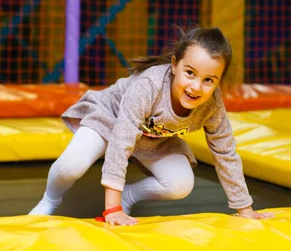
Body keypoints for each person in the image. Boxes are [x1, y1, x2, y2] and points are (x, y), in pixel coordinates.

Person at [29, 26, 274, 225]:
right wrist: (111, 209)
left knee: (180, 184)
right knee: (72, 165)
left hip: (154, 136)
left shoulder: (212, 106)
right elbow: (122, 138)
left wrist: (245, 208)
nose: (196, 87)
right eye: (190, 73)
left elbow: (226, 153)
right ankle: (49, 201)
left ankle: (129, 197)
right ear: (175, 65)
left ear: (218, 81)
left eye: (208, 80)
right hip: (111, 117)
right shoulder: (150, 86)